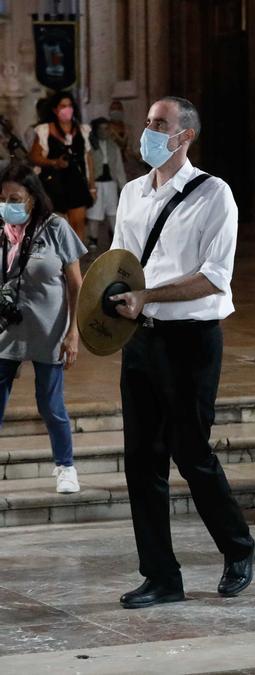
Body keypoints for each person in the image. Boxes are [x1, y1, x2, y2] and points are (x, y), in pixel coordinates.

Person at [107, 96, 255, 609]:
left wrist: (148, 295)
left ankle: (239, 548)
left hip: (191, 340)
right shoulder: (130, 193)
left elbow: (215, 277)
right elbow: (119, 264)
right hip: (141, 338)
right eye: (147, 122)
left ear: (185, 135)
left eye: (159, 124)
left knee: (191, 454)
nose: (147, 131)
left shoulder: (214, 194)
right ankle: (161, 576)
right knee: (140, 461)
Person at [0, 163, 85, 493]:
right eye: (3, 197)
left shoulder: (56, 228)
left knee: (51, 405)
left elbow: (77, 284)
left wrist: (72, 332)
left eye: (15, 198)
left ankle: (65, 466)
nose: (8, 204)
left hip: (48, 330)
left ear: (33, 198)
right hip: (6, 330)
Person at [29, 92, 95, 240]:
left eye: (70, 106)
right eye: (63, 106)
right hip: (53, 184)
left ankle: (75, 261)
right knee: (56, 226)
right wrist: (54, 162)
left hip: (77, 182)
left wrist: (92, 186)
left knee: (78, 225)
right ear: (55, 109)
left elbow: (88, 159)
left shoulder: (82, 130)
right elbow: (34, 156)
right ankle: (58, 260)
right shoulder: (45, 130)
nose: (67, 109)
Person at [85, 118, 127, 251]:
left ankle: (117, 237)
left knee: (113, 211)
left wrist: (123, 186)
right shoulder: (90, 146)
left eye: (106, 128)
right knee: (94, 213)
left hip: (111, 182)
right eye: (101, 129)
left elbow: (119, 167)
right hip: (96, 183)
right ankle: (93, 239)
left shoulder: (113, 146)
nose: (104, 131)